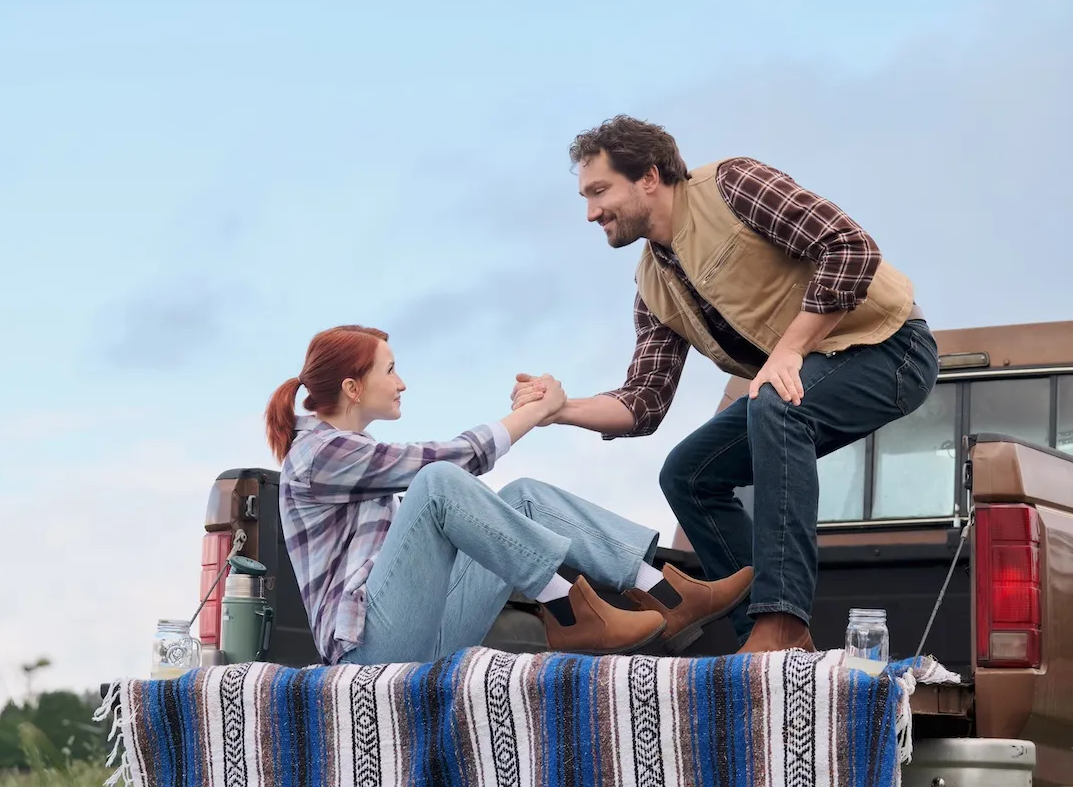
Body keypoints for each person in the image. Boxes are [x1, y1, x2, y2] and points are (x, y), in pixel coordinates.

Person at [512, 115, 939, 654]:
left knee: (775, 404)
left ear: (648, 177)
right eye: (585, 197)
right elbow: (644, 402)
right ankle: (765, 644)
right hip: (808, 375)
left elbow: (848, 249)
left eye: (599, 191)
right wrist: (562, 407)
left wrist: (789, 350)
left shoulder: (732, 185)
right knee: (689, 474)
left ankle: (780, 624)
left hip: (892, 349)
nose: (592, 211)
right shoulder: (652, 284)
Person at [266, 324, 753, 666]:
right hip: (366, 656)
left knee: (521, 496)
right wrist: (536, 412)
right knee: (438, 482)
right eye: (389, 370)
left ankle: (664, 591)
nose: (401, 383)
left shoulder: (350, 451)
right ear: (353, 387)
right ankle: (567, 610)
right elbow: (449, 463)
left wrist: (539, 411)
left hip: (418, 633)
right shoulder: (316, 454)